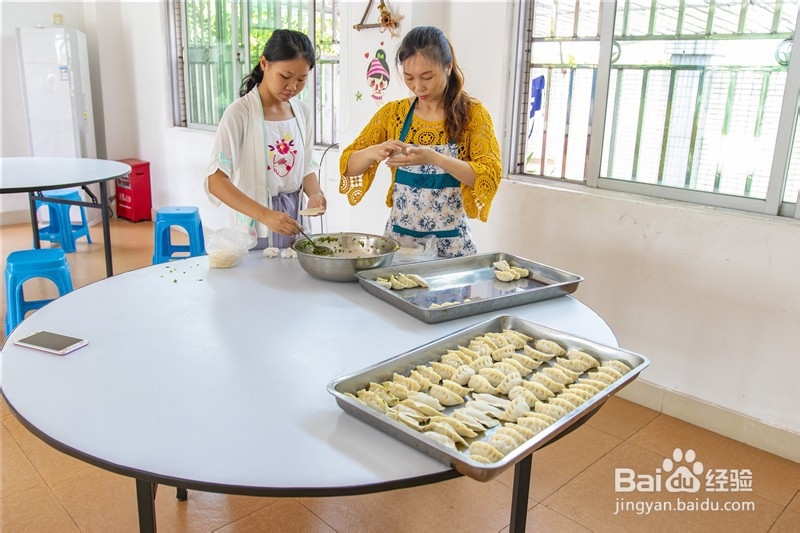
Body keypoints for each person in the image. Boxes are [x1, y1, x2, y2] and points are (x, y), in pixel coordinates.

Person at [339, 26, 502, 258]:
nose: (418, 86)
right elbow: (349, 165)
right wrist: (373, 152)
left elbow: (489, 174)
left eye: (427, 77)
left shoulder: (473, 114)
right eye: (409, 78)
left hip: (453, 247)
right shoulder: (392, 114)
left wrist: (434, 158)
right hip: (400, 246)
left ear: (448, 67)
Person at [205, 29, 326, 249]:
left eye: (301, 79)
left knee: (294, 278)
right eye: (285, 76)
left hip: (293, 221)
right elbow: (216, 181)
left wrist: (315, 193)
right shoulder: (239, 113)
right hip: (254, 223)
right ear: (264, 63)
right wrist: (266, 215)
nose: (292, 87)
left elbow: (305, 165)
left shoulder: (303, 113)